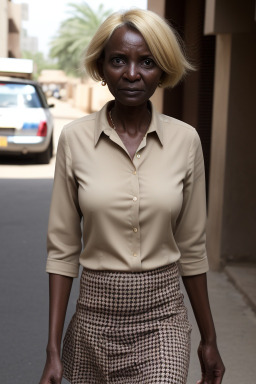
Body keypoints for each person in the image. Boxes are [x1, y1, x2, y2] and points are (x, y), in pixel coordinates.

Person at [39, 8, 225, 384]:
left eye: (148, 62)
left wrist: (209, 339)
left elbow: (191, 246)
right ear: (102, 67)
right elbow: (62, 249)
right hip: (94, 319)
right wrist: (53, 351)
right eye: (119, 60)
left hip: (163, 322)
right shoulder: (74, 140)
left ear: (163, 70)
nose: (132, 74)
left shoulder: (186, 141)